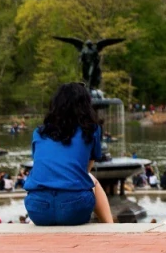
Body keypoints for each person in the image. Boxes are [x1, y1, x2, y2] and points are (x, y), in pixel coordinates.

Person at [22, 83, 114, 226]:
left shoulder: (39, 132)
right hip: (74, 208)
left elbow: (39, 164)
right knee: (92, 180)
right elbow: (86, 169)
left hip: (37, 209)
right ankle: (110, 227)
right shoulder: (91, 130)